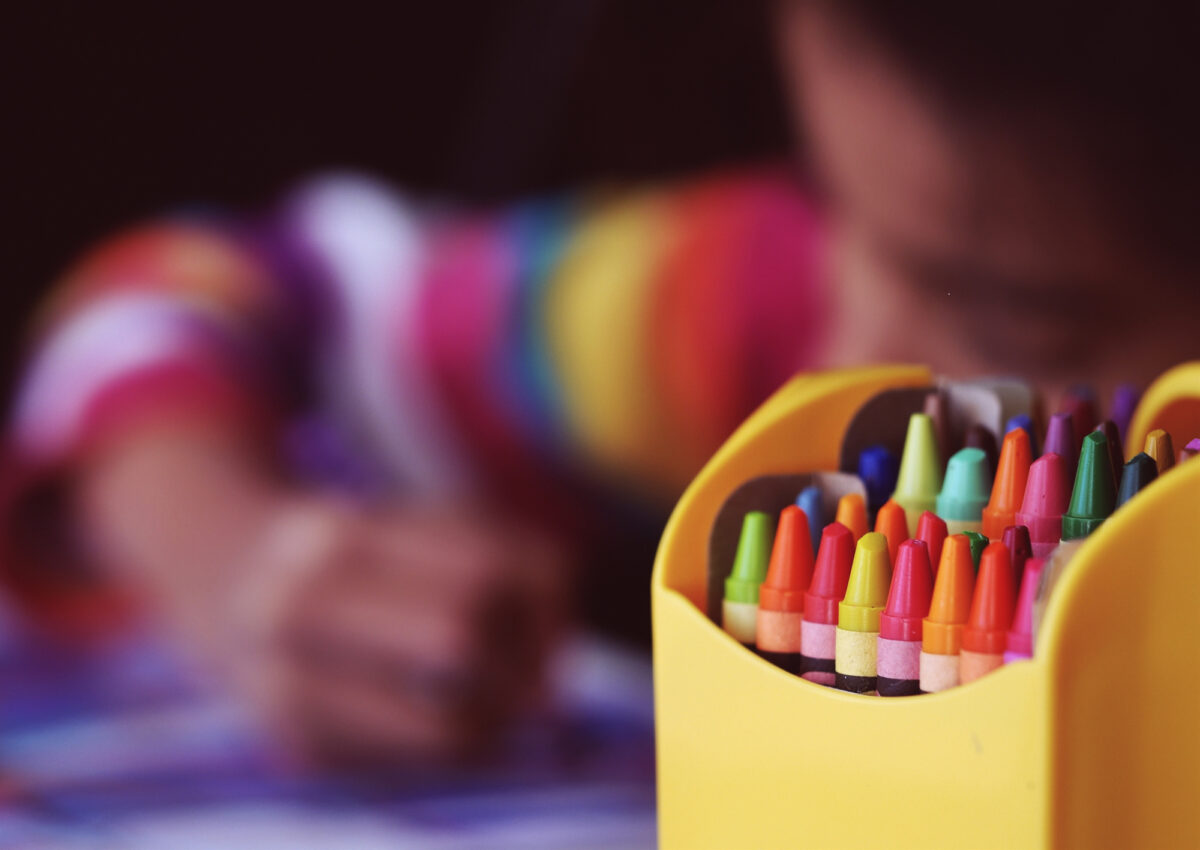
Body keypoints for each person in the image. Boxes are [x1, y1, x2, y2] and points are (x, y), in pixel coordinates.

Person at [4, 0, 1197, 764]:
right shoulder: (758, 302)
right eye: (831, 195)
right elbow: (197, 292)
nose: (849, 353)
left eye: (1017, 316)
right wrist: (234, 561)